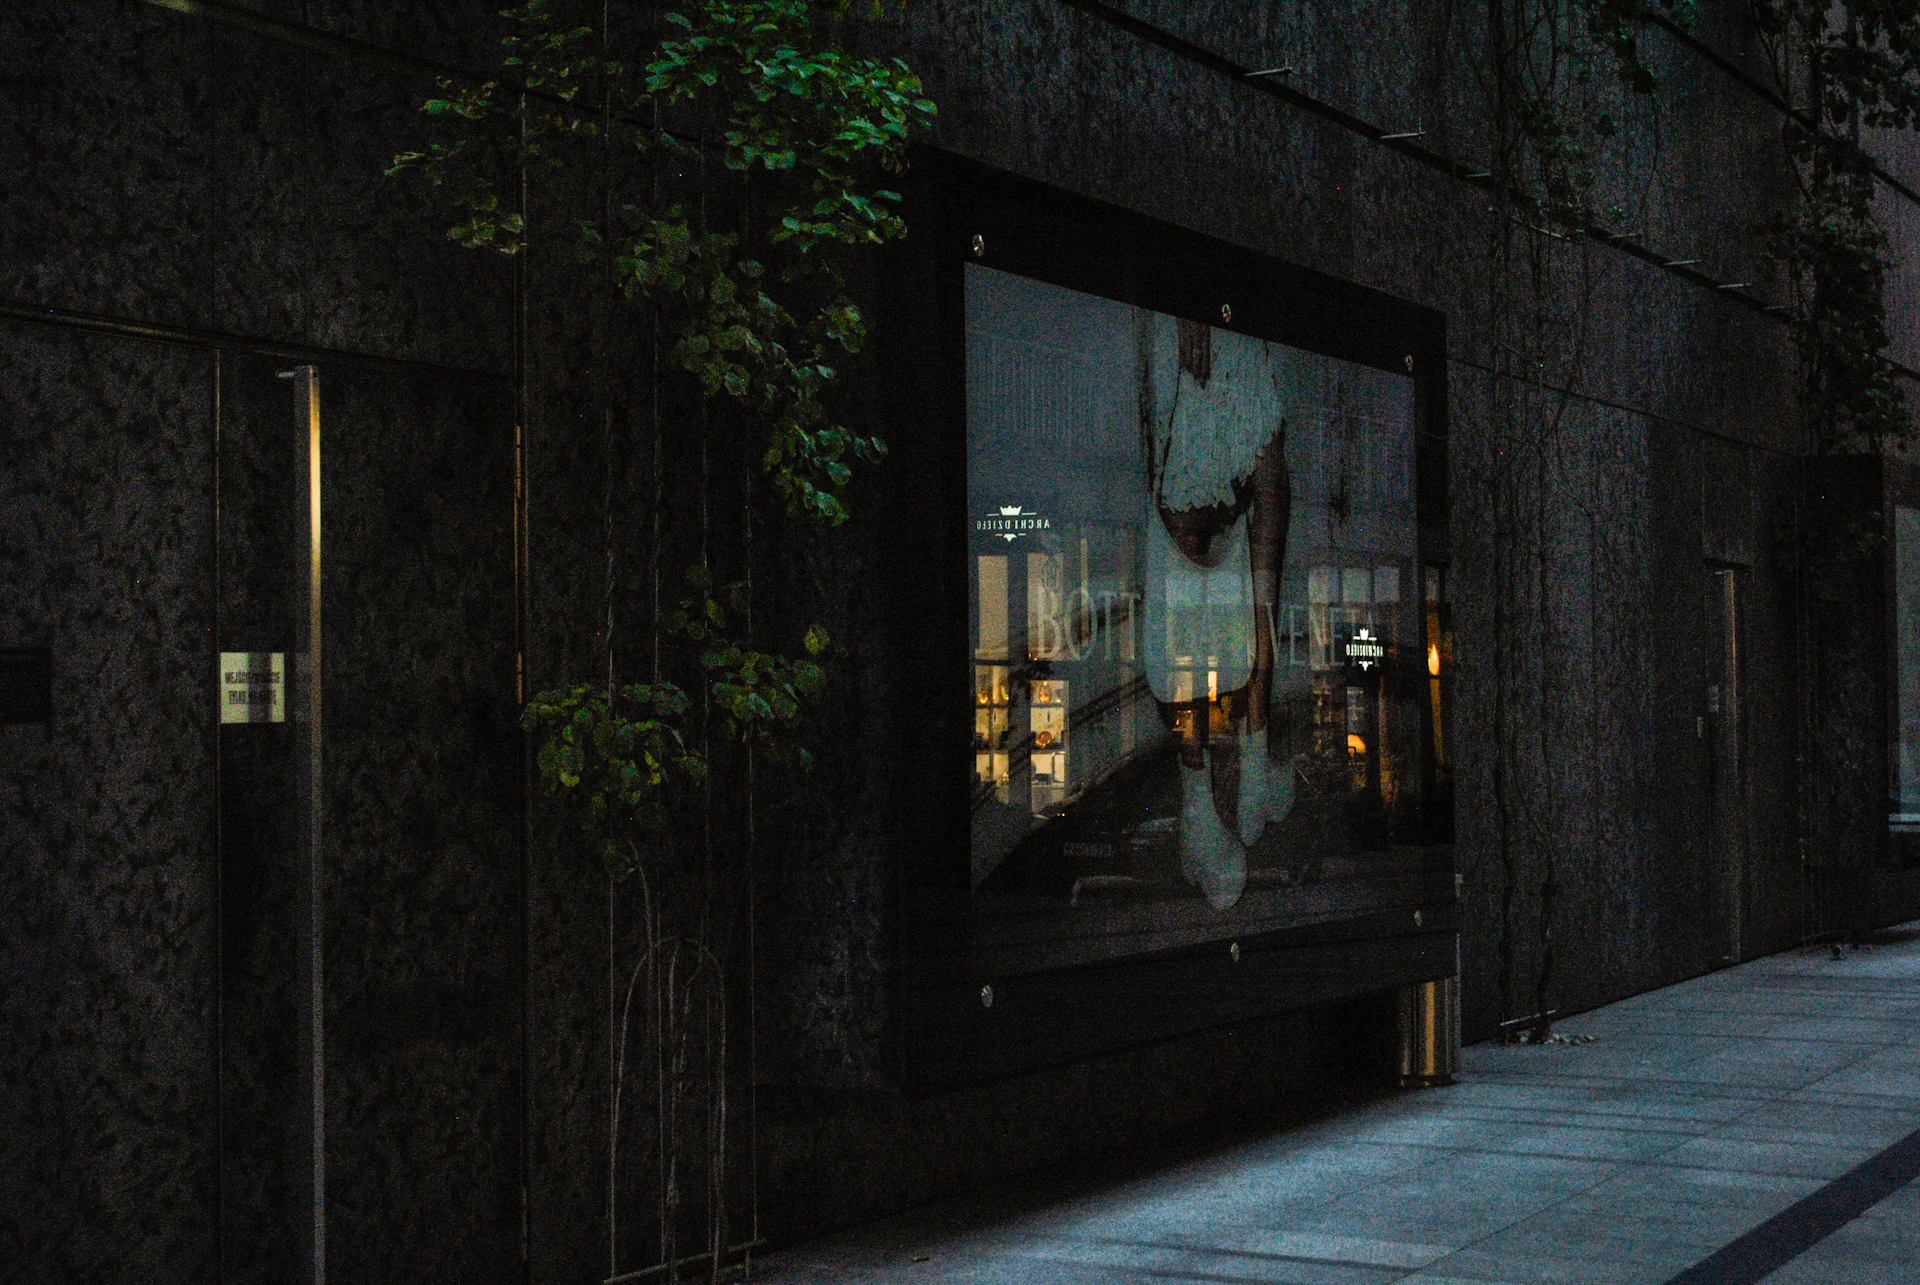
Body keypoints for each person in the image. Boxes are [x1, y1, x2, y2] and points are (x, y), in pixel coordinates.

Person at [1140, 315, 1296, 909]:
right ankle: (1197, 809)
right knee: (1189, 512)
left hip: (1230, 317)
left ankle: (1253, 768)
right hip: (1179, 304)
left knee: (1267, 470)